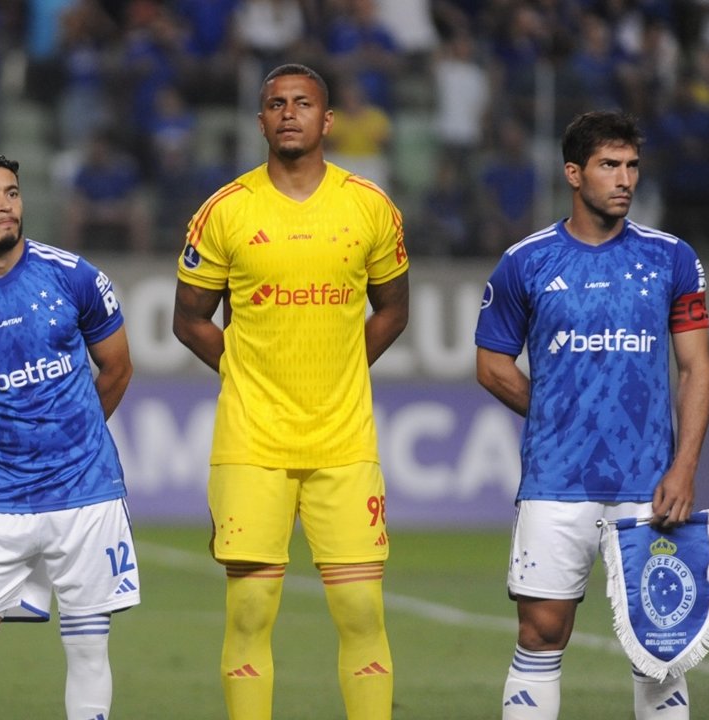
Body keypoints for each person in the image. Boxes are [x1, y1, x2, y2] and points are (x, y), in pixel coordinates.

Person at [172, 63, 410, 720]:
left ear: (327, 120)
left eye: (303, 103)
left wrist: (342, 365)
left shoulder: (368, 205)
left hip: (343, 439)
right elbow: (188, 318)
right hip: (252, 439)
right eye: (276, 103)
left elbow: (393, 308)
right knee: (250, 610)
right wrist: (246, 368)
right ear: (260, 121)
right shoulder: (227, 210)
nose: (289, 113)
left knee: (361, 609)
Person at [474, 110, 709, 720]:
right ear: (574, 174)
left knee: (661, 646)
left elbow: (696, 368)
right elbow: (492, 364)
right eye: (610, 165)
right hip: (557, 482)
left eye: (632, 165)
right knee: (541, 635)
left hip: (651, 484)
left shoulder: (672, 259)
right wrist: (558, 414)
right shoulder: (526, 262)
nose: (625, 178)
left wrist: (683, 468)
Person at [0, 150, 140, 720]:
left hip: (88, 492)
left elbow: (116, 368)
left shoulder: (73, 275)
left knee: (88, 647)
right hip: (2, 499)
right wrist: (4, 435)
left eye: (11, 192)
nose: (4, 205)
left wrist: (73, 434)